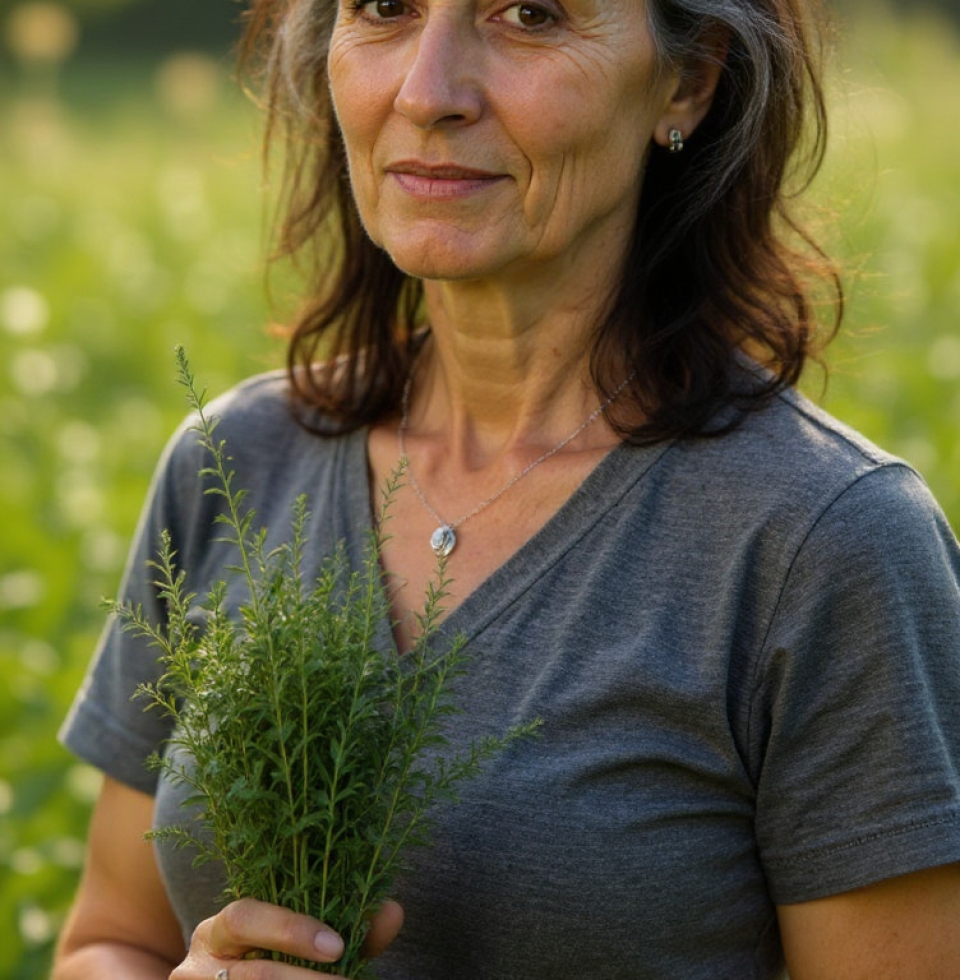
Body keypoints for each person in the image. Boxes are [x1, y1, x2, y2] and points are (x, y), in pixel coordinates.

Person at [52, 0, 960, 976]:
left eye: (530, 14)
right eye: (385, 9)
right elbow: (110, 938)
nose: (426, 90)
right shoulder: (229, 467)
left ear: (686, 79)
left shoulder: (827, 543)